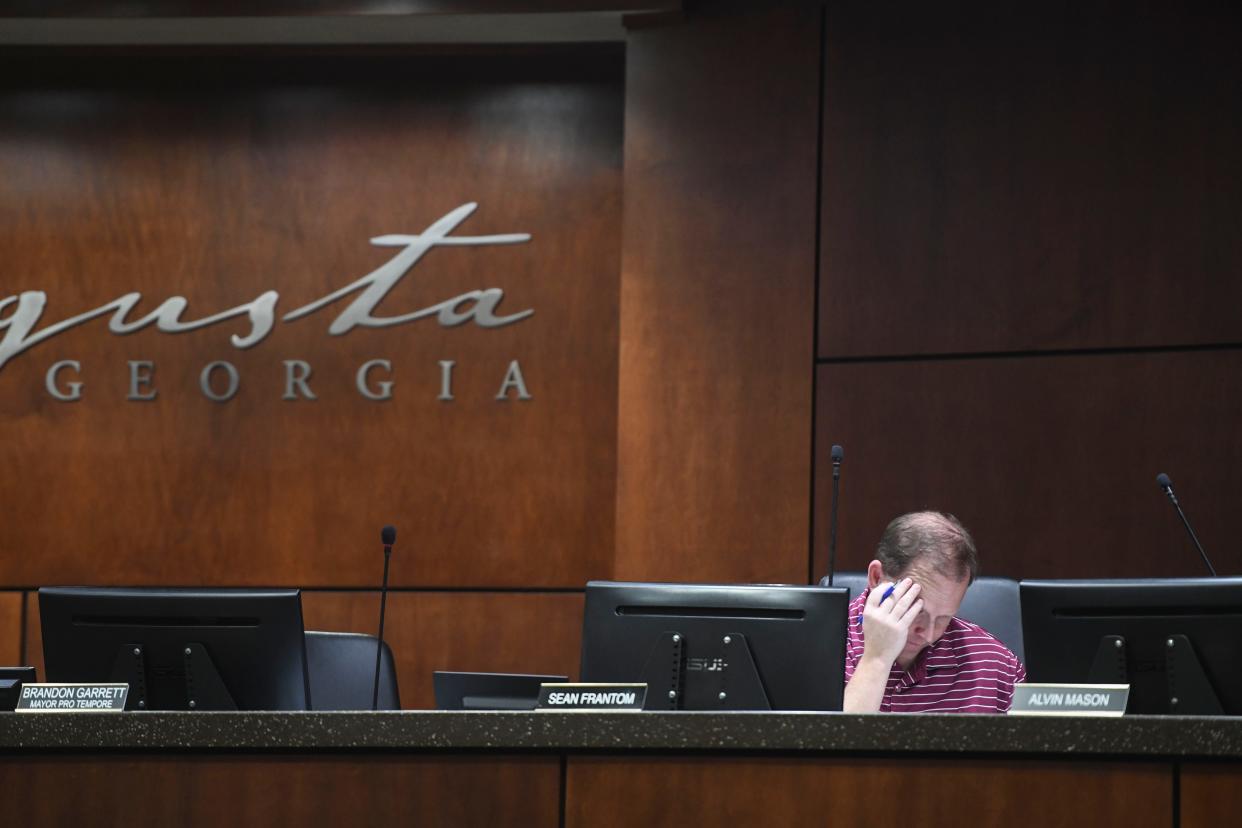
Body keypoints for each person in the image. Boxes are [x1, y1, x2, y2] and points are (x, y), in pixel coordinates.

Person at [842, 511, 1025, 713]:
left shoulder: (997, 666)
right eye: (916, 609)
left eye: (943, 619)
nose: (928, 635)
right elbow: (829, 742)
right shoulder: (818, 645)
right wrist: (876, 659)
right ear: (877, 577)